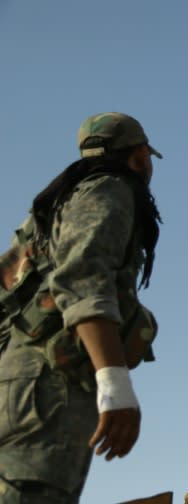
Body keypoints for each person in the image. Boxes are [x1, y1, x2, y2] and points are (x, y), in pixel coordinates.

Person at [0, 112, 163, 502]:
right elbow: (83, 277)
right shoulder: (109, 188)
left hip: (16, 382)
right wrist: (115, 384)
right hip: (49, 386)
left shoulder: (55, 206)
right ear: (140, 156)